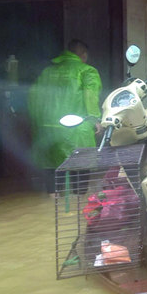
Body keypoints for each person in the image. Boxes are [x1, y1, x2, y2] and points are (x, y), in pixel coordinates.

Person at [27, 39, 103, 195]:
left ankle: (51, 200)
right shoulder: (87, 71)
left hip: (48, 130)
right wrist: (95, 119)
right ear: (83, 54)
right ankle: (78, 200)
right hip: (76, 129)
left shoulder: (47, 72)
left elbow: (33, 98)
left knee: (51, 170)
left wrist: (38, 123)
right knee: (81, 166)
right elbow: (90, 96)